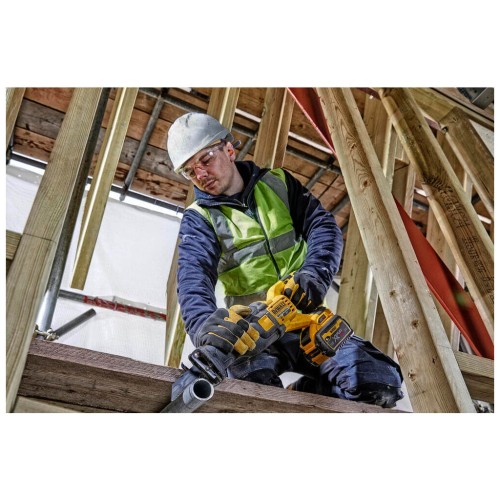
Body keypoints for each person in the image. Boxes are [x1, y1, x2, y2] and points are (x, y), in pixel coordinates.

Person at [167, 112, 404, 408]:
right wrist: (204, 326)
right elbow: (193, 277)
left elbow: (323, 226)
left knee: (379, 384)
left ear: (229, 149)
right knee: (259, 402)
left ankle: (304, 391)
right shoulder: (199, 218)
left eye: (205, 159)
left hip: (306, 318)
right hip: (253, 333)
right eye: (190, 171)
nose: (200, 175)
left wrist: (313, 275)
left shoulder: (277, 183)